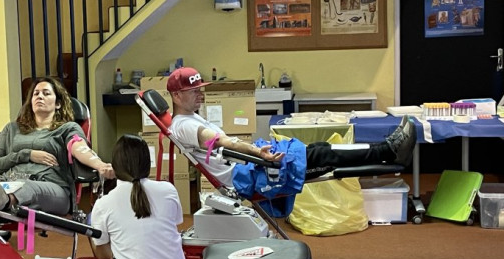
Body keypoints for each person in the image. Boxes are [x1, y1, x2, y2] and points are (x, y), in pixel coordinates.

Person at [165, 66, 417, 191]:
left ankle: (386, 150)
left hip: (248, 165)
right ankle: (389, 150)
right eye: (193, 91)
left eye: (200, 89)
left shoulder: (192, 118)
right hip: (245, 176)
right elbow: (223, 142)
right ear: (176, 96)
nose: (200, 95)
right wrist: (258, 153)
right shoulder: (184, 125)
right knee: (323, 157)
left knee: (320, 149)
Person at [0, 77, 115, 219]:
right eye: (36, 94)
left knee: (25, 187)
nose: (40, 97)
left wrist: (99, 165)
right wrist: (26, 154)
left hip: (52, 189)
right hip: (9, 182)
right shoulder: (12, 129)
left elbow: (79, 148)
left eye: (46, 93)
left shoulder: (67, 128)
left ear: (58, 103)